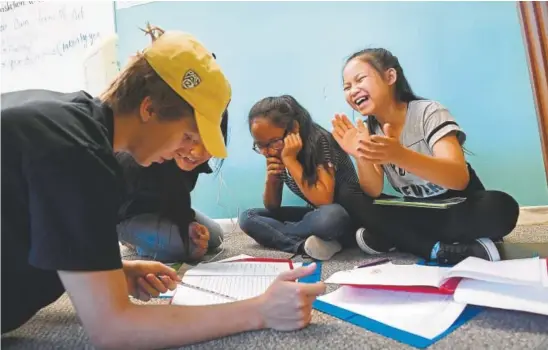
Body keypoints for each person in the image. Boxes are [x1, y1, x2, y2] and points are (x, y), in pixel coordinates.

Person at [1, 25, 325, 348]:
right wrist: (260, 310)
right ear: (148, 108)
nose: (182, 152)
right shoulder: (80, 153)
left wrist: (113, 271)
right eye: (186, 137)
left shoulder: (67, 119)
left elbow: (22, 229)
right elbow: (115, 329)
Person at [332, 48, 520, 265]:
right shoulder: (369, 130)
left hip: (456, 206)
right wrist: (360, 155)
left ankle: (397, 238)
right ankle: (437, 248)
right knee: (348, 192)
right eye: (347, 87)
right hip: (418, 209)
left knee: (501, 207)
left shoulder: (429, 112)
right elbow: (373, 190)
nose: (353, 90)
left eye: (359, 80)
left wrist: (401, 155)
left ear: (390, 77)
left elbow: (459, 179)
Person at [239, 95, 362, 261]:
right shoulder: (276, 150)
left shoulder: (320, 140)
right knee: (248, 217)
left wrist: (290, 160)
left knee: (331, 218)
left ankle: (295, 235)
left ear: (294, 129)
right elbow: (272, 206)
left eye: (274, 142)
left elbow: (324, 200)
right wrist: (272, 178)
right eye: (260, 145)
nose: (268, 151)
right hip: (314, 215)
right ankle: (304, 245)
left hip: (344, 215)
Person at [115, 109, 229, 263]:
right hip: (124, 215)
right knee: (184, 248)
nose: (197, 152)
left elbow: (178, 194)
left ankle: (157, 238)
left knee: (215, 236)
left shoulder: (187, 158)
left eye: (209, 143)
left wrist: (188, 222)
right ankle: (135, 242)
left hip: (162, 208)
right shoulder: (139, 160)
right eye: (189, 137)